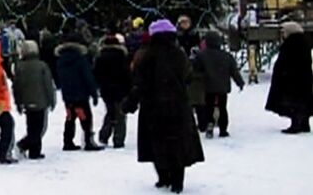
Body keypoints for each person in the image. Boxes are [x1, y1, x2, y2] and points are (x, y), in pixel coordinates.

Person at [123, 19, 204, 194]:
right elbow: (188, 77)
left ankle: (163, 177)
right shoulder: (179, 54)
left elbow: (140, 83)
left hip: (153, 107)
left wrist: (130, 103)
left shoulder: (146, 56)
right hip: (178, 106)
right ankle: (177, 181)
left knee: (156, 144)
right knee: (178, 143)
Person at [55, 28, 102, 151]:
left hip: (67, 94)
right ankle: (88, 141)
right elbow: (87, 76)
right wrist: (94, 93)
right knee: (86, 117)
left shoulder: (60, 59)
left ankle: (67, 141)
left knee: (70, 117)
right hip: (80, 94)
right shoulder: (81, 59)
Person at [265, 21, 313, 134]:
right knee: (304, 100)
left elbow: (286, 61)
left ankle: (295, 124)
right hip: (304, 77)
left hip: (291, 78)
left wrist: (282, 73)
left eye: (284, 32)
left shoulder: (291, 44)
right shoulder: (304, 42)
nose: (282, 35)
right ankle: (304, 123)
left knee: (292, 102)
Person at [195, 31, 244, 138]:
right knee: (222, 107)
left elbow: (196, 71)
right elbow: (234, 71)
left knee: (209, 107)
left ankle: (210, 125)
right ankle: (223, 129)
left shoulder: (201, 56)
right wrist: (240, 83)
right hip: (223, 87)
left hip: (208, 86)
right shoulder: (227, 56)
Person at [13, 40, 56, 159]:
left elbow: (17, 86)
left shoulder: (20, 67)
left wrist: (18, 102)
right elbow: (48, 85)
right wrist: (51, 100)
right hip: (41, 102)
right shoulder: (42, 66)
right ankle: (25, 146)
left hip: (27, 102)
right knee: (39, 128)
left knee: (31, 126)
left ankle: (34, 150)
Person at [93, 33, 132, 148]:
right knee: (120, 114)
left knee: (110, 112)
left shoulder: (100, 57)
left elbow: (96, 74)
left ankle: (104, 135)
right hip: (121, 89)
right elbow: (127, 74)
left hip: (106, 90)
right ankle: (118, 139)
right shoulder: (122, 56)